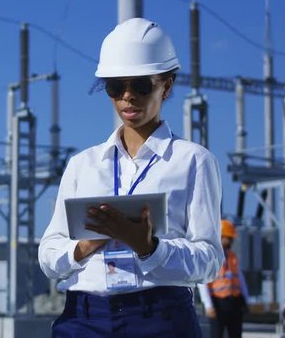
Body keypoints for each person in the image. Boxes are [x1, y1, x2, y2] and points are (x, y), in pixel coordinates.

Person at [38, 17, 224, 337]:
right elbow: (49, 255)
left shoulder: (194, 161)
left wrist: (150, 248)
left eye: (140, 85)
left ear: (166, 86)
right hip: (83, 317)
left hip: (160, 316)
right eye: (115, 86)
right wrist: (82, 247)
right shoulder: (82, 164)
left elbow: (210, 260)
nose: (127, 96)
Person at [198, 219, 249, 338]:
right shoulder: (211, 256)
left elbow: (240, 280)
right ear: (220, 236)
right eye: (229, 238)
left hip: (234, 302)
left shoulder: (232, 256)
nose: (231, 241)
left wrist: (246, 300)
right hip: (218, 303)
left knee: (236, 334)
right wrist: (208, 305)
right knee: (216, 335)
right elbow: (203, 282)